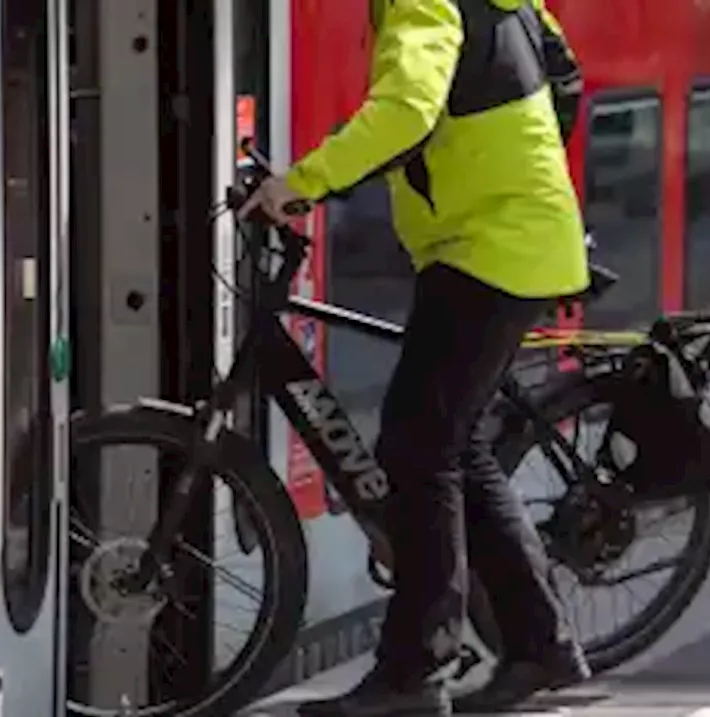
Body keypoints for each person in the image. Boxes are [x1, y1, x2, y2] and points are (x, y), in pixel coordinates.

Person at [239, 0, 591, 715]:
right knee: (450, 446)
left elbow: (405, 112)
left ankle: (416, 671)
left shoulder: (422, 1)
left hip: (490, 250)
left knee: (417, 445)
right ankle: (539, 643)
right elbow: (567, 82)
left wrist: (301, 182)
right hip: (508, 239)